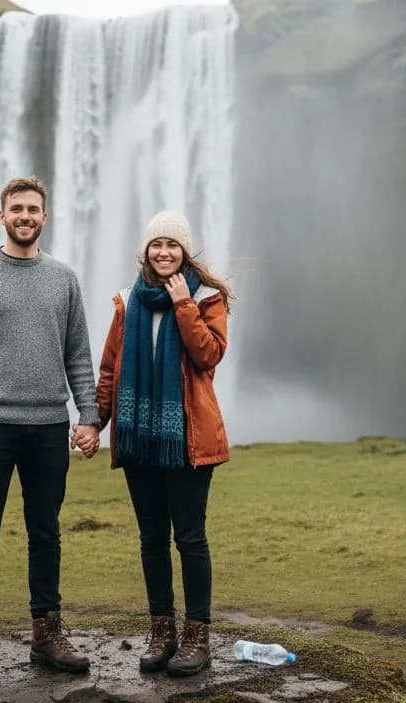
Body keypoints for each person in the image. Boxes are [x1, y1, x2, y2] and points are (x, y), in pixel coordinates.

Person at [0, 176, 102, 686]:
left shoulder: (64, 278)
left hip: (49, 425)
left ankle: (46, 635)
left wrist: (89, 415)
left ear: (45, 217)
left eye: (33, 208)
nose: (25, 216)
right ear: (2, 215)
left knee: (46, 532)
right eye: (17, 208)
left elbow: (78, 354)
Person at [95, 210, 232, 677]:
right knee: (152, 537)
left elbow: (208, 355)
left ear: (184, 252)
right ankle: (161, 631)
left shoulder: (207, 300)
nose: (164, 251)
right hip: (140, 440)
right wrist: (95, 422)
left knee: (189, 537)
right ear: (147, 251)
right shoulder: (127, 303)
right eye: (157, 244)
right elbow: (110, 370)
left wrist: (182, 306)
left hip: (189, 441)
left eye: (173, 244)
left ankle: (197, 636)